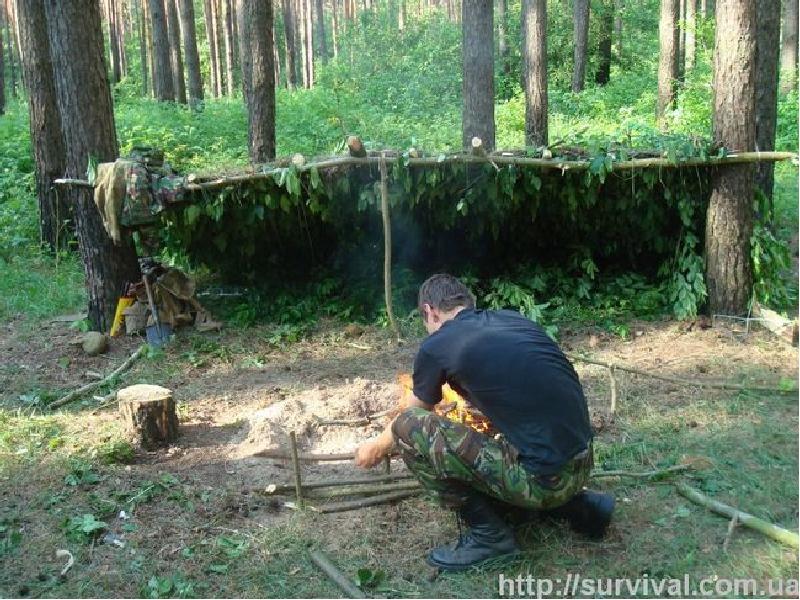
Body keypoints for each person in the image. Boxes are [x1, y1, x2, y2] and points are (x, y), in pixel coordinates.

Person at [354, 273, 614, 571]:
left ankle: (490, 538)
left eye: (425, 321)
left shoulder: (437, 344)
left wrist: (376, 445)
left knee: (409, 428)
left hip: (545, 482)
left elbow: (412, 414)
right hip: (582, 462)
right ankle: (575, 506)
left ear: (429, 311)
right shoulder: (513, 320)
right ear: (467, 302)